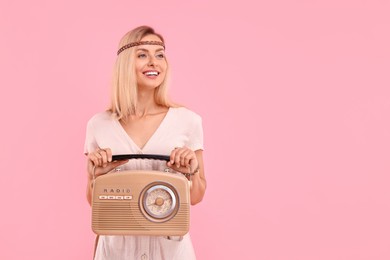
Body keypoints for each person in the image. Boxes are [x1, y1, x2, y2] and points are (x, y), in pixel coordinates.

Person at [84, 25, 206, 260]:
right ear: (125, 63)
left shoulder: (188, 120)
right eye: (142, 55)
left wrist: (190, 173)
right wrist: (94, 177)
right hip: (117, 251)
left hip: (169, 250)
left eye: (159, 55)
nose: (154, 62)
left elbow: (197, 196)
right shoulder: (98, 125)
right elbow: (94, 202)